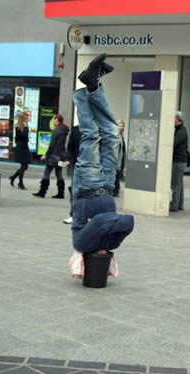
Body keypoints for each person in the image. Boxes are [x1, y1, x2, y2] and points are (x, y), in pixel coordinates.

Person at [71, 53, 134, 256]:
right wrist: (112, 225)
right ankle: (93, 85)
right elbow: (129, 221)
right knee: (113, 134)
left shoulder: (82, 244)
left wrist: (109, 224)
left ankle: (84, 93)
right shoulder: (110, 244)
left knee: (91, 136)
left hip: (87, 187)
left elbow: (101, 221)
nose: (105, 257)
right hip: (107, 183)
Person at [33, 114, 69, 199]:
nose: (52, 120)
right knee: (59, 173)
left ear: (57, 120)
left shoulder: (56, 131)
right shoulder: (63, 130)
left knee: (46, 173)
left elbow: (52, 145)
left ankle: (42, 192)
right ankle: (61, 193)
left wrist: (46, 155)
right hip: (61, 156)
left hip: (53, 156)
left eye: (53, 119)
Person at [170, 111, 188, 212]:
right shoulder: (180, 130)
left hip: (178, 161)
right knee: (179, 183)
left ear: (178, 120)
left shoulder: (181, 132)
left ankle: (174, 205)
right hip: (181, 161)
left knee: (175, 184)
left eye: (173, 119)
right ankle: (179, 205)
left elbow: (173, 143)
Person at [63, 124, 81, 224]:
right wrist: (68, 159)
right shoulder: (76, 130)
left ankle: (89, 215)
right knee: (75, 190)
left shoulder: (97, 128)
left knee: (91, 191)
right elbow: (70, 147)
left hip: (93, 165)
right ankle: (73, 215)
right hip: (77, 163)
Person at [9, 110, 31, 190]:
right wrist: (26, 128)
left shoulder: (22, 126)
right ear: (24, 118)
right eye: (27, 117)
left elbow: (17, 138)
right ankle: (20, 183)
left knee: (25, 166)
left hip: (23, 146)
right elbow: (23, 136)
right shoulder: (21, 126)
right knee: (24, 165)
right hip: (22, 147)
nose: (28, 118)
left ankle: (13, 177)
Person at [113, 120, 126, 197]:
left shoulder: (121, 136)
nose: (120, 127)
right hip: (115, 160)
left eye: (122, 126)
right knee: (115, 175)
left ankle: (116, 190)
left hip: (119, 160)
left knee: (117, 175)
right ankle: (115, 191)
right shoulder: (115, 135)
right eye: (119, 125)